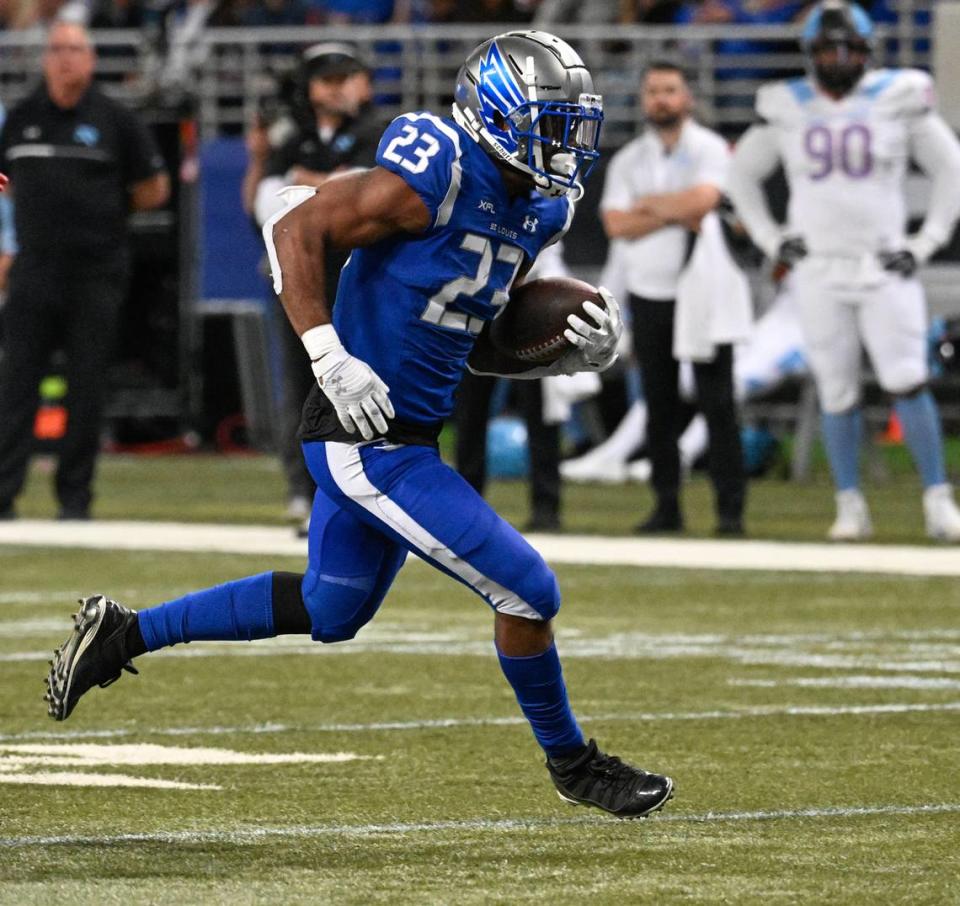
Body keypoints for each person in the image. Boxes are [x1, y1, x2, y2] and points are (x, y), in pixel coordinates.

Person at [45, 30, 674, 819]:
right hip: (364, 438)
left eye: (570, 125)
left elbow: (470, 338)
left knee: (331, 608)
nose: (566, 144)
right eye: (551, 123)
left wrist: (560, 356)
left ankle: (124, 634)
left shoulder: (542, 208)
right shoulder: (437, 171)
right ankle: (574, 763)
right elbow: (291, 224)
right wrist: (327, 353)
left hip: (405, 430)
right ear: (501, 113)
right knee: (527, 591)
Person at [728, 0, 960, 541]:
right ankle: (849, 504)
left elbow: (952, 169)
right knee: (835, 390)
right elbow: (741, 177)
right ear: (811, 54)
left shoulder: (898, 96)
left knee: (907, 379)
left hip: (883, 265)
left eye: (848, 48)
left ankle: (938, 500)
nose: (837, 58)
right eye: (828, 49)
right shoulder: (788, 103)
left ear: (866, 52)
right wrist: (769, 238)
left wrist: (925, 243)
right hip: (819, 268)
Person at [0, 21, 169, 520]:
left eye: (75, 49)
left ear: (91, 59)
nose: (66, 58)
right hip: (33, 267)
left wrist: (103, 213)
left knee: (86, 385)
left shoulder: (115, 118)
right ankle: (3, 495)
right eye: (57, 49)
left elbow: (153, 187)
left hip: (96, 270)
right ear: (46, 59)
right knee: (16, 382)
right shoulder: (21, 117)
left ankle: (75, 499)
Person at [601, 61, 747, 536]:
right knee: (659, 405)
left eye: (670, 90)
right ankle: (667, 506)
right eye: (653, 91)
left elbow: (706, 201)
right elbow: (616, 224)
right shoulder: (629, 159)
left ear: (687, 97)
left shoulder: (710, 148)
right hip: (649, 292)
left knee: (717, 402)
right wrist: (675, 209)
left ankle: (730, 511)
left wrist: (649, 206)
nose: (661, 100)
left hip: (702, 289)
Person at [243, 43, 383, 527]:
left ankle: (364, 486)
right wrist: (261, 161)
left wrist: (309, 184)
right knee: (302, 384)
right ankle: (303, 489)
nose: (339, 88)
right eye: (328, 79)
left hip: (357, 274)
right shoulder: (294, 137)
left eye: (347, 77)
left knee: (361, 376)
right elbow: (262, 209)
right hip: (301, 276)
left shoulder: (377, 130)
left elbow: (365, 194)